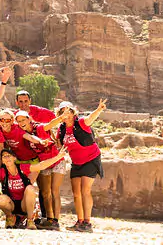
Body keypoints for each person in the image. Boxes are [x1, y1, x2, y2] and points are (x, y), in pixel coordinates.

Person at [49, 98, 107, 232]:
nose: (65, 114)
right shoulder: (61, 129)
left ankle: (87, 223)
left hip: (91, 159)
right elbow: (59, 145)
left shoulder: (80, 122)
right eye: (62, 112)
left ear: (72, 112)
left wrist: (99, 109)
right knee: (76, 193)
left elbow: (90, 118)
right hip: (76, 162)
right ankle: (79, 221)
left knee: (85, 190)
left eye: (67, 111)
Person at [15, 108, 67, 229]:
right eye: (19, 121)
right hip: (44, 164)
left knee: (54, 191)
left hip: (57, 160)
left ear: (28, 119)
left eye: (23, 119)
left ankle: (56, 220)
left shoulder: (38, 128)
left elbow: (49, 125)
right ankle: (49, 218)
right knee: (45, 192)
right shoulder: (23, 134)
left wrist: (61, 118)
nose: (22, 122)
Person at [0, 147, 67, 229]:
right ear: (2, 160)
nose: (7, 158)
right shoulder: (2, 171)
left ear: (14, 158)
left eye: (9, 155)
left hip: (24, 204)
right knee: (1, 199)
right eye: (4, 156)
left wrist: (57, 157)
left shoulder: (22, 168)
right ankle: (11, 218)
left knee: (30, 188)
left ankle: (30, 220)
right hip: (12, 205)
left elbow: (41, 165)